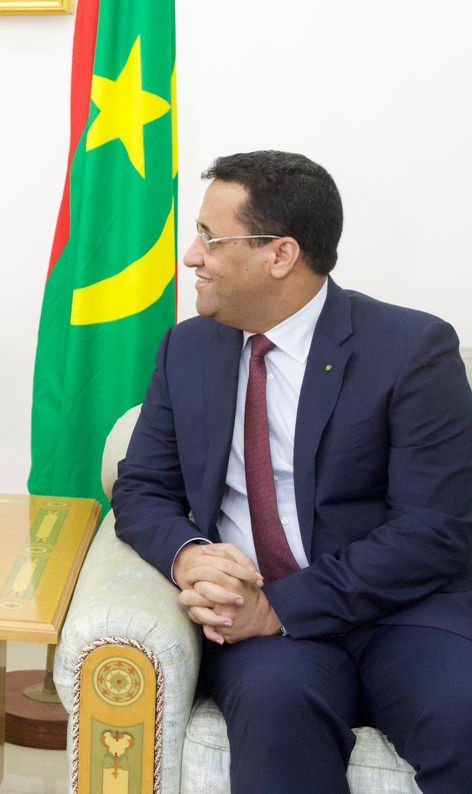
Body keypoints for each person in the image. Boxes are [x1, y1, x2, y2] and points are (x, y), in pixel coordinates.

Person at [113, 150, 472, 792]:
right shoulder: (188, 348)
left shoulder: (412, 349)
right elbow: (141, 487)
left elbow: (434, 529)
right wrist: (190, 556)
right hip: (268, 637)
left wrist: (278, 607)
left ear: (280, 255)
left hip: (402, 612)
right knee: (277, 712)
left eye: (210, 239)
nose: (191, 258)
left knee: (462, 711)